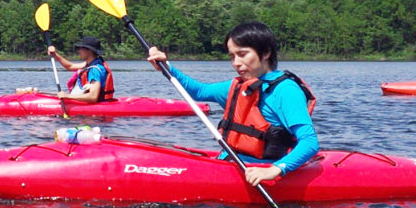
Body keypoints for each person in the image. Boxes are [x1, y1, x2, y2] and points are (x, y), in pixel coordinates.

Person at [147, 21, 317, 187]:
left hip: (262, 171)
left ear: (265, 53)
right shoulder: (238, 86)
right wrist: (165, 66)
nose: (236, 62)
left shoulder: (286, 90)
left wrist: (275, 170)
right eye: (232, 56)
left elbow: (309, 143)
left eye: (242, 54)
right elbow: (199, 91)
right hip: (230, 164)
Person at [47, 36, 115, 104]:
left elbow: (93, 97)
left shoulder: (95, 70)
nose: (79, 51)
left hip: (96, 106)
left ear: (90, 50)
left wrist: (67, 96)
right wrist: (55, 54)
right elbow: (70, 66)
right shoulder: (92, 63)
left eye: (81, 48)